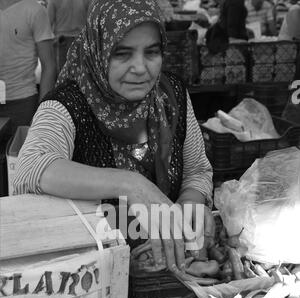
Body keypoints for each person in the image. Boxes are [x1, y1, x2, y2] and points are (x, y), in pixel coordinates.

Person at [13, 0, 214, 275]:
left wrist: (190, 203)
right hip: (96, 279)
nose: (140, 68)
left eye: (152, 52)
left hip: (167, 274)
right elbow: (31, 168)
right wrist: (130, 184)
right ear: (98, 49)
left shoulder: (171, 95)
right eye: (122, 54)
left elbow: (197, 169)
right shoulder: (68, 105)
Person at [0, 0, 56, 133]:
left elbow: (49, 66)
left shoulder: (34, 10)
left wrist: (42, 113)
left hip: (22, 103)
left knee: (19, 152)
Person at [47, 0, 91, 72]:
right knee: (80, 73)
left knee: (61, 73)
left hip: (61, 40)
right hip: (80, 40)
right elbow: (90, 21)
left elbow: (48, 24)